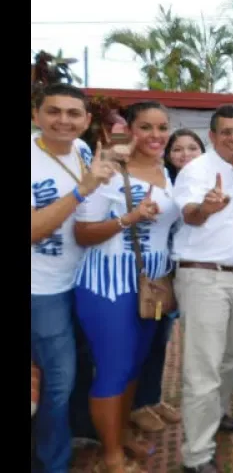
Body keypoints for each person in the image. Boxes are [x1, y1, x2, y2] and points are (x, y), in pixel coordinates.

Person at [74, 100, 182, 472]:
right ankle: (111, 455)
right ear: (130, 131)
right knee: (114, 367)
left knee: (135, 365)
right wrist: (128, 218)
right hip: (108, 283)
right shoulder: (107, 172)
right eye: (146, 127)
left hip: (150, 284)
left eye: (162, 127)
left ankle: (119, 434)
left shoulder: (164, 172)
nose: (156, 135)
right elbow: (83, 233)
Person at [31, 83, 113, 473]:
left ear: (86, 121)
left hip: (80, 282)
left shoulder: (83, 151)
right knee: (58, 379)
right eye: (53, 111)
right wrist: (83, 190)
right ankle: (52, 462)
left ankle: (76, 433)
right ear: (36, 115)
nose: (63, 119)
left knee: (82, 365)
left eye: (73, 113)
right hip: (41, 289)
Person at [171, 104, 233, 473]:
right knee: (202, 371)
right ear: (212, 135)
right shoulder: (198, 170)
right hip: (205, 277)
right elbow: (188, 211)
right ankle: (196, 456)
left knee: (230, 358)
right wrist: (205, 209)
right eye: (227, 132)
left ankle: (216, 417)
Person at [131, 129, 205, 435]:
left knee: (161, 337)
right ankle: (135, 406)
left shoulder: (206, 181)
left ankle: (153, 397)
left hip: (177, 272)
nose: (185, 154)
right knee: (143, 337)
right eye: (178, 149)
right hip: (154, 271)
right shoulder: (162, 182)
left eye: (192, 148)